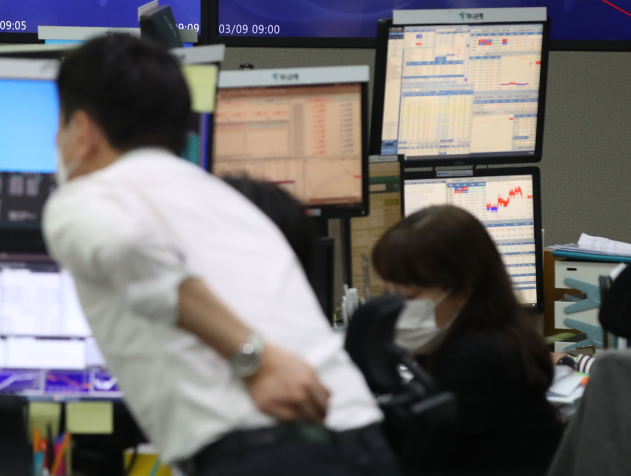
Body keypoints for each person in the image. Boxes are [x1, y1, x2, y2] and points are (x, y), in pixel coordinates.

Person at [43, 34, 393, 476]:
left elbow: (124, 245)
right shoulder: (223, 200)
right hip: (360, 435)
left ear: (83, 130)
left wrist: (255, 360)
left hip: (264, 446)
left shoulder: (86, 196)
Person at [372, 205, 563, 476]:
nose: (395, 309)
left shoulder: (479, 355)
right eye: (388, 293)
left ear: (463, 290)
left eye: (409, 297)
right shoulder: (490, 334)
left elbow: (417, 454)